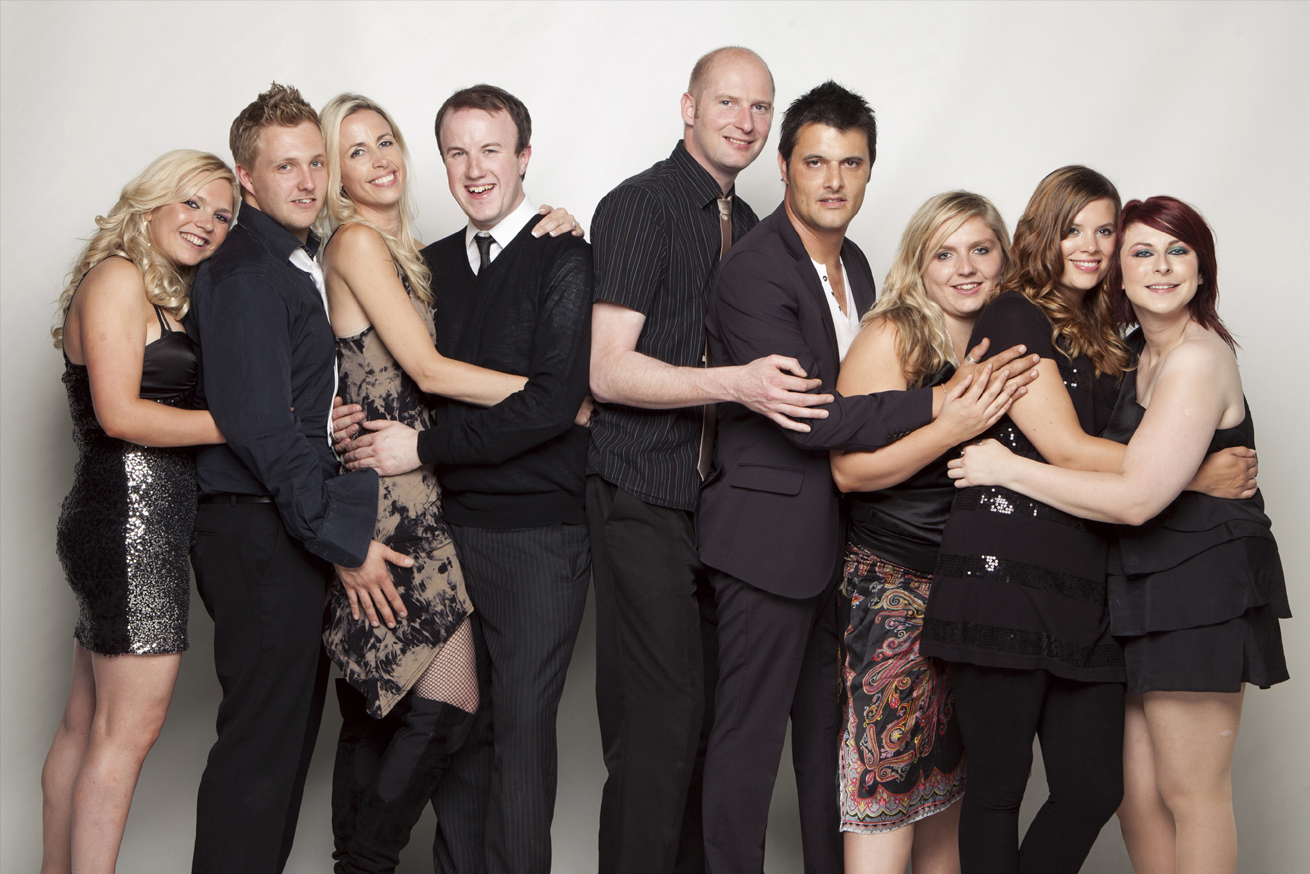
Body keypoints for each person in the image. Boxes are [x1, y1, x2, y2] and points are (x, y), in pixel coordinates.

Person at [697, 82, 1037, 874]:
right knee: (747, 748)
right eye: (816, 162)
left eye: (851, 163)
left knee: (835, 759)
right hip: (766, 545)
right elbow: (810, 417)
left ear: (870, 171)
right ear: (784, 167)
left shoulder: (852, 262)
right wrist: (940, 406)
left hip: (844, 555)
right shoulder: (754, 272)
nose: (834, 180)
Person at [920, 167, 1258, 874]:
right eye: (1073, 229)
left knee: (1094, 787)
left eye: (1105, 231)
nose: (1091, 245)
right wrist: (1195, 474)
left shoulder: (1115, 333)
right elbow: (1068, 449)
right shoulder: (1014, 315)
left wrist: (1172, 472)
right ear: (1041, 234)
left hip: (1089, 582)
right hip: (1004, 577)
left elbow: (1133, 468)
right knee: (998, 790)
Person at [318, 92, 584, 874]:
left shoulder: (547, 251)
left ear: (523, 157)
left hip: (504, 522)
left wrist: (552, 396)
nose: (474, 168)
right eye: (457, 152)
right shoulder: (396, 253)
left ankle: (365, 859)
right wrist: (555, 395)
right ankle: (367, 861)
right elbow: (425, 372)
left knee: (487, 721)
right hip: (416, 509)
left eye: (491, 150)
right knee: (427, 711)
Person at [586, 46, 837, 874]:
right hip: (641, 493)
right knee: (659, 725)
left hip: (715, 511)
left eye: (761, 107)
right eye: (728, 102)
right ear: (688, 108)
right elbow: (607, 371)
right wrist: (740, 384)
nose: (746, 121)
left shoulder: (755, 221)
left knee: (706, 727)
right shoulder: (641, 205)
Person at [186, 83, 407, 874]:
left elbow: (285, 408)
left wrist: (328, 419)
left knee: (276, 755)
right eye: (286, 167)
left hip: (276, 524)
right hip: (257, 529)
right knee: (260, 756)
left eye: (316, 162)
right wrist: (342, 542)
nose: (309, 181)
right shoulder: (247, 272)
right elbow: (261, 430)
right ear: (246, 178)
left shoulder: (293, 260)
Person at [41, 150, 236, 874]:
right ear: (151, 202)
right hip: (133, 523)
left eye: (222, 215)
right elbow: (120, 415)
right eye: (191, 203)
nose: (206, 223)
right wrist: (245, 425)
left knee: (85, 727)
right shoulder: (119, 278)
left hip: (120, 518)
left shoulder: (155, 287)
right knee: (124, 734)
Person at [830, 191, 1021, 874]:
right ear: (919, 262)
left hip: (972, 593)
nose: (965, 268)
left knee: (947, 787)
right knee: (884, 785)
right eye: (945, 253)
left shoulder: (1011, 335)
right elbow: (848, 471)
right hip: (890, 587)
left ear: (1004, 258)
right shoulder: (894, 335)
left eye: (980, 249)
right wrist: (950, 427)